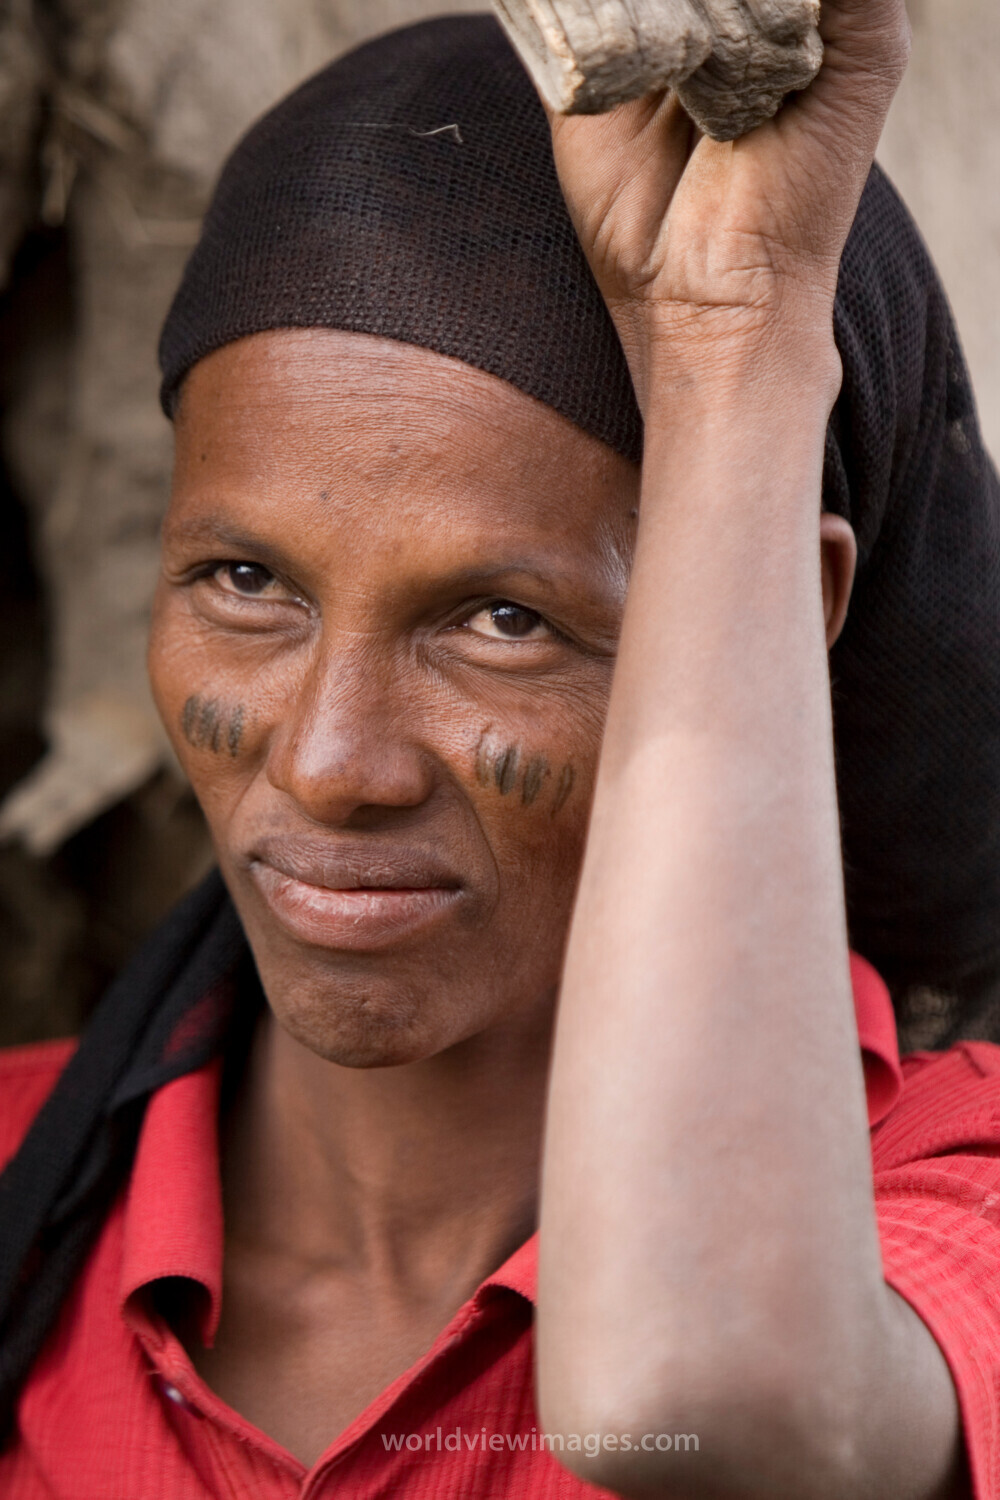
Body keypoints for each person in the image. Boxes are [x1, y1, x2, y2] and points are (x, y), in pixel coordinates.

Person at [2, 2, 999, 1496]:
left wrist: (734, 339)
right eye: (247, 582)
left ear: (776, 614)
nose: (334, 762)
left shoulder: (943, 1209)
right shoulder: (27, 1181)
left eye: (498, 620)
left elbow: (711, 1388)